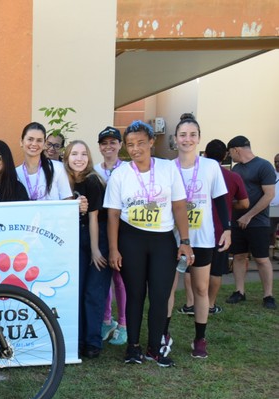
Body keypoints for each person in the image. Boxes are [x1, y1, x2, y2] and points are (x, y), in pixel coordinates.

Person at [103, 120, 193, 367]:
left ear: (152, 142)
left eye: (141, 143)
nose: (135, 149)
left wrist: (185, 241)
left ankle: (156, 346)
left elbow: (178, 206)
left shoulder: (167, 169)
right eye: (130, 144)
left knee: (160, 295)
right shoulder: (120, 174)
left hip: (163, 240)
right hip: (131, 239)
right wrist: (113, 248)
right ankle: (133, 347)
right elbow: (112, 213)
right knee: (135, 294)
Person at [165, 115, 230, 359]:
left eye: (192, 135)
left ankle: (200, 339)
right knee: (167, 288)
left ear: (199, 138)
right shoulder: (167, 168)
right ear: (175, 139)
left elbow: (220, 199)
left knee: (201, 289)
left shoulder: (211, 166)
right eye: (183, 135)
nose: (187, 139)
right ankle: (164, 334)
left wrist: (228, 228)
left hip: (202, 238)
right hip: (171, 237)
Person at [63, 140, 111, 359]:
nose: (79, 158)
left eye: (83, 154)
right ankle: (78, 341)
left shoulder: (93, 181)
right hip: (73, 238)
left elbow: (93, 219)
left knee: (94, 291)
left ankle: (93, 341)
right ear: (67, 157)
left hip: (95, 237)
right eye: (74, 154)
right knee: (77, 290)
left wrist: (95, 250)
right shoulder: (64, 181)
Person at [225, 136, 276, 309]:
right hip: (237, 222)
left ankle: (268, 295)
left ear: (236, 150)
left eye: (230, 153)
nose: (230, 157)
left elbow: (269, 195)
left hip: (258, 222)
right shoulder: (237, 169)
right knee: (239, 256)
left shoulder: (264, 166)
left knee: (262, 259)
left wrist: (249, 216)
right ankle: (240, 291)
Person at [200, 140, 249, 314]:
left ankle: (191, 303)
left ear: (204, 154)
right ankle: (210, 304)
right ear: (225, 156)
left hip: (198, 229)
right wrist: (229, 205)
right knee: (216, 271)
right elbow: (244, 203)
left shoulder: (198, 174)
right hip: (221, 230)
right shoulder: (233, 177)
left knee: (193, 268)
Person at [94, 126, 128, 346]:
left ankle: (124, 324)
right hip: (100, 227)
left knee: (120, 277)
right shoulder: (94, 170)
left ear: (120, 145)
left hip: (123, 227)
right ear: (99, 147)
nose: (109, 146)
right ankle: (107, 319)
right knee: (104, 275)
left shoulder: (128, 169)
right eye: (104, 143)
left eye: (113, 142)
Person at [16, 122, 74, 201]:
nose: (34, 144)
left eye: (39, 140)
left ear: (44, 143)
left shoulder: (57, 168)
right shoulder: (15, 173)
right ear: (21, 142)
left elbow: (67, 200)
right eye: (30, 139)